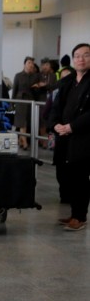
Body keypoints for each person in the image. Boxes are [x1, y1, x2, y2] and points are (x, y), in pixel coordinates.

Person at [48, 43, 90, 231]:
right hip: (63, 136)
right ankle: (74, 213)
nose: (81, 59)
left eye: (86, 55)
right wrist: (56, 124)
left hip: (83, 137)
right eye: (77, 56)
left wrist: (72, 127)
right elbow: (55, 106)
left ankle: (80, 216)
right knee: (66, 176)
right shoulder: (68, 81)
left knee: (80, 177)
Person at [12, 56, 40, 149]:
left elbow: (37, 91)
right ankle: (25, 143)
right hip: (20, 101)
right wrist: (11, 104)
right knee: (22, 122)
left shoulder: (35, 76)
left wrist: (38, 86)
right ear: (24, 64)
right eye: (29, 63)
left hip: (31, 100)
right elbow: (14, 90)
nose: (31, 65)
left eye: (32, 63)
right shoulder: (18, 75)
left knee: (27, 122)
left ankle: (21, 140)